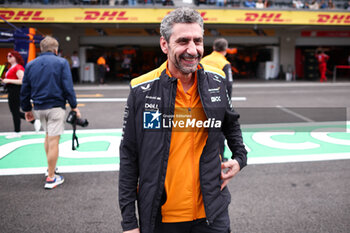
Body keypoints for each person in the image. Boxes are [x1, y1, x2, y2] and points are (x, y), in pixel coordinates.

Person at [119, 7, 247, 233]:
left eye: (198, 41)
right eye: (183, 41)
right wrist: (129, 222)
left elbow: (231, 123)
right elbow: (129, 155)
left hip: (212, 215)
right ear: (164, 44)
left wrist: (239, 159)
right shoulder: (141, 89)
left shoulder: (216, 81)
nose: (192, 49)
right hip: (163, 219)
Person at [20, 36, 81, 189]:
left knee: (48, 136)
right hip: (55, 106)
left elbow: (25, 89)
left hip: (38, 107)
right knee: (54, 140)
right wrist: (74, 106)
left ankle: (50, 168)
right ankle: (51, 177)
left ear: (41, 49)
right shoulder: (61, 63)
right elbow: (68, 86)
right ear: (55, 50)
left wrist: (27, 109)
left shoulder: (31, 64)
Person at [0, 50, 40, 139]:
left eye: (10, 56)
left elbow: (23, 80)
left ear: (16, 57)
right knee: (14, 111)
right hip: (11, 90)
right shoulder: (12, 67)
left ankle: (17, 131)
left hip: (16, 91)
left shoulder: (18, 67)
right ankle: (33, 121)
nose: (8, 57)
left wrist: (8, 80)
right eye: (7, 56)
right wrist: (4, 81)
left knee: (14, 111)